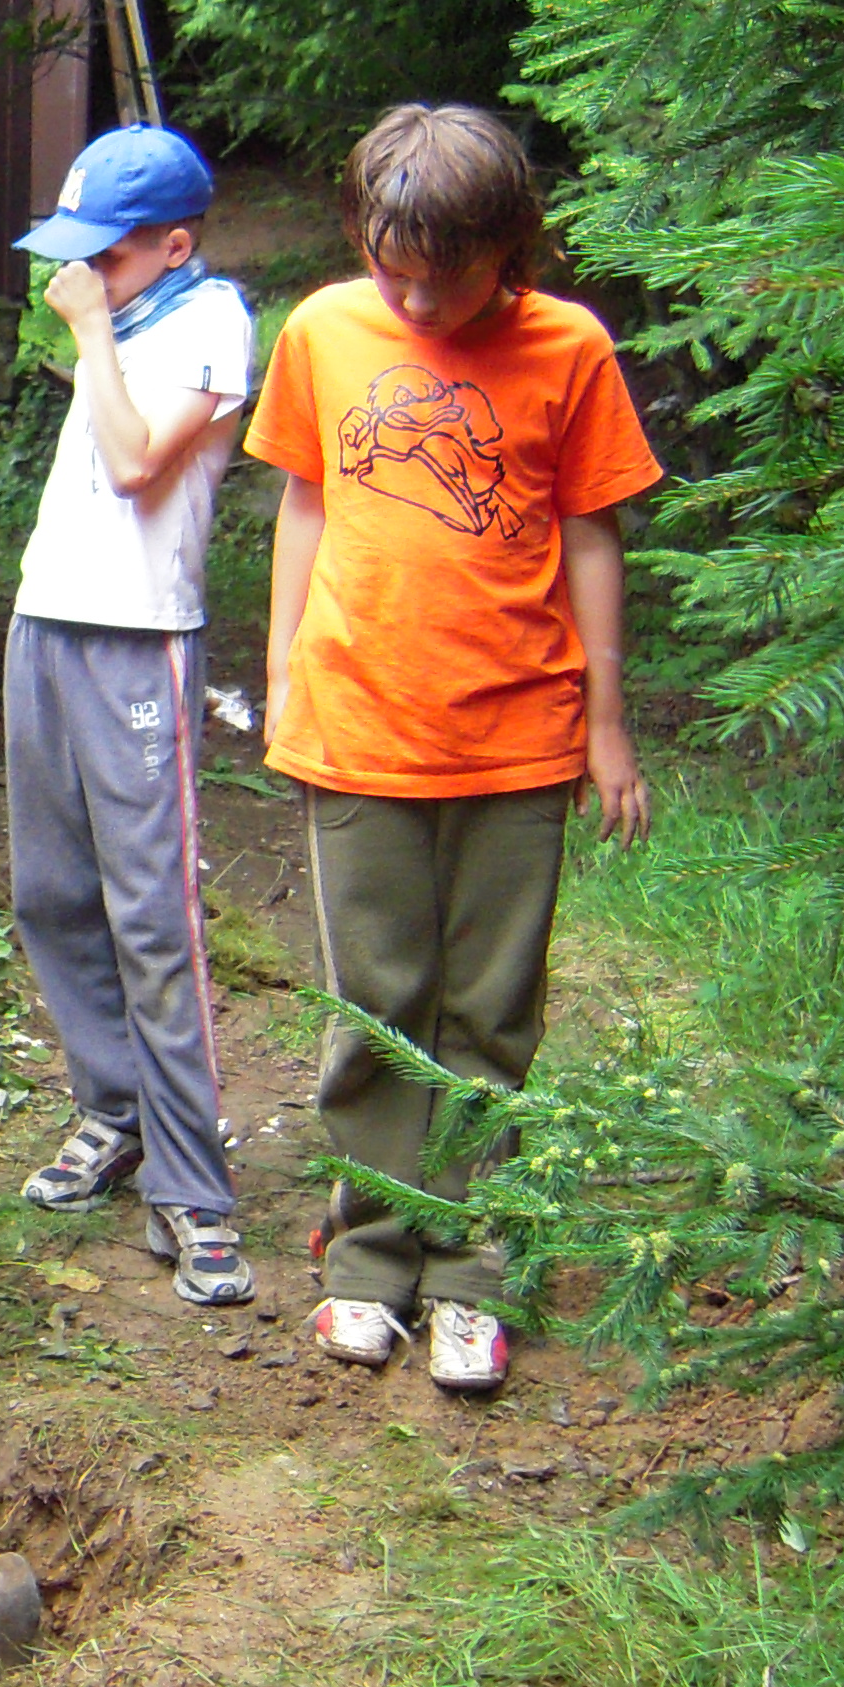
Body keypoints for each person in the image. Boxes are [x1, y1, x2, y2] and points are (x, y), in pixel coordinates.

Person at [246, 103, 660, 1392]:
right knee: (377, 1007)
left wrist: (606, 727)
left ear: (509, 245)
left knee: (488, 1013)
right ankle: (370, 1259)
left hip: (520, 737)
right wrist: (282, 668)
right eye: (394, 272)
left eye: (450, 276)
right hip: (359, 726)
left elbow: (591, 532)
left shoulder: (568, 346)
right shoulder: (322, 331)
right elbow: (306, 500)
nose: (418, 303)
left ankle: (472, 1270)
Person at [1, 124, 259, 1310]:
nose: (83, 275)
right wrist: (102, 322)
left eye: (105, 256)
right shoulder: (131, 310)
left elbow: (135, 464)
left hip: (138, 638)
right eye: (79, 256)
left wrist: (92, 333)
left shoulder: (210, 321)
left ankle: (194, 1186)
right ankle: (114, 1112)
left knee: (152, 915)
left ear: (175, 245)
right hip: (45, 619)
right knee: (51, 892)